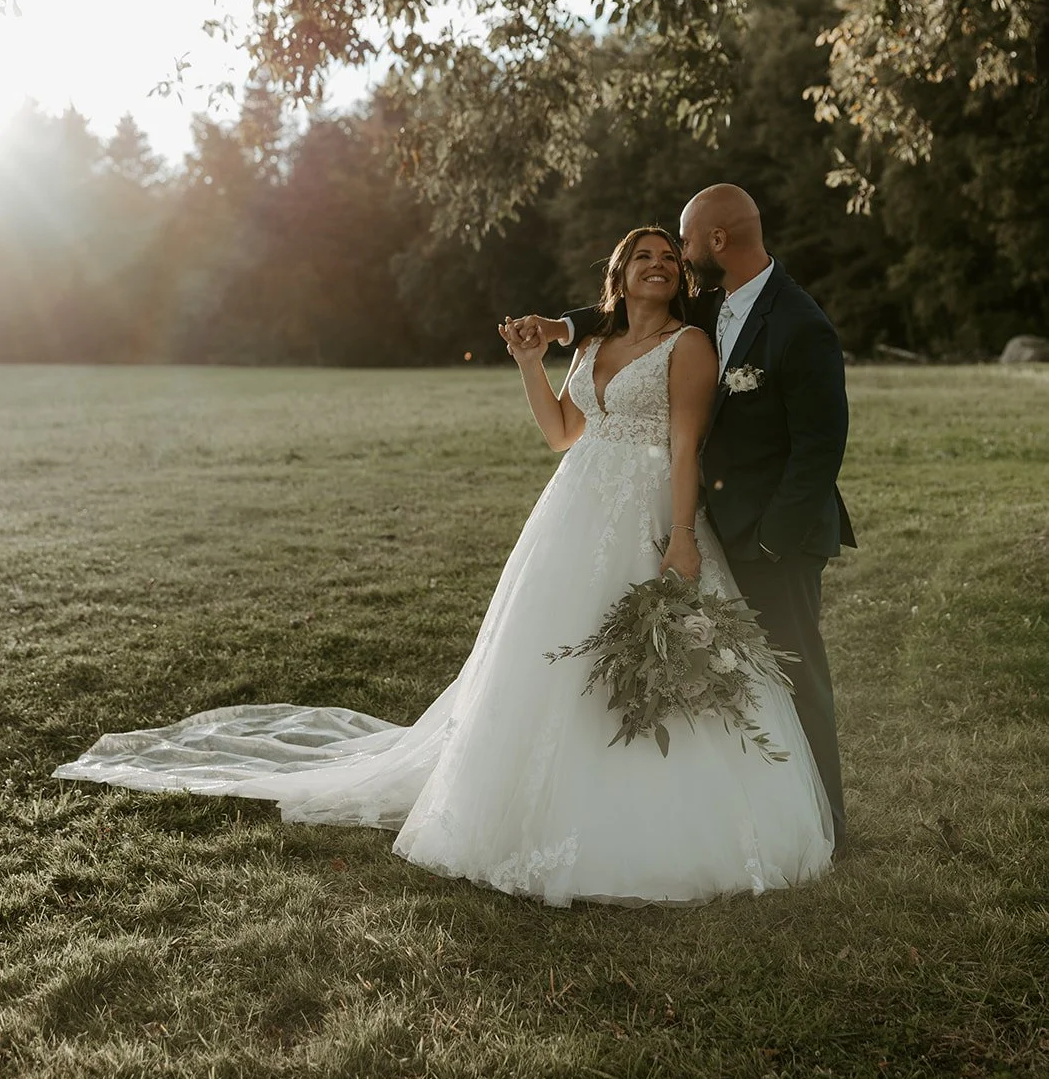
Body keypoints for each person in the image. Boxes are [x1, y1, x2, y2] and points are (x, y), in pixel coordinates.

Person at [54, 226, 834, 906]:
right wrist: (531, 361)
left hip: (646, 513)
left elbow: (687, 444)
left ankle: (656, 823)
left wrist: (680, 540)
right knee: (547, 657)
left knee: (647, 657)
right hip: (573, 510)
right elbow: (563, 432)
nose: (658, 264)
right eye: (642, 256)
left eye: (668, 255)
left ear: (679, 275)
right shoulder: (592, 343)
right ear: (619, 274)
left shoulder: (687, 345)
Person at [511, 185, 854, 852]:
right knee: (719, 663)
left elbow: (820, 447)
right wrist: (558, 330)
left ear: (715, 242)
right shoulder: (711, 301)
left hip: (774, 533)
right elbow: (623, 308)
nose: (675, 256)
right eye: (658, 252)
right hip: (699, 513)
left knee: (791, 674)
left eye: (683, 243)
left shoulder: (798, 324)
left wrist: (772, 541)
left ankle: (825, 824)